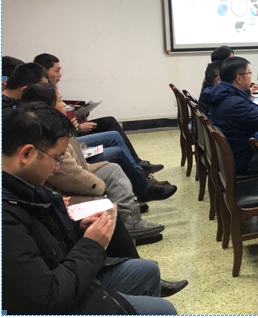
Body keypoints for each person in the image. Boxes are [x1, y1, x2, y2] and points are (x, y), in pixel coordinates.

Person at [1, 103, 178, 315]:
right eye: (57, 158)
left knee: (147, 270)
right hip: (57, 297)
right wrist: (91, 244)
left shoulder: (26, 185)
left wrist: (78, 229)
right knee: (163, 309)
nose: (57, 167)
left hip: (66, 276)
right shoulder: (7, 216)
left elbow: (46, 243)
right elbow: (47, 298)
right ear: (26, 153)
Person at [20, 83, 165, 240]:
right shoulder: (48, 136)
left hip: (66, 184)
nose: (65, 105)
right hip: (61, 193)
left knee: (112, 169)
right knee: (104, 201)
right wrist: (99, 187)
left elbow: (74, 166)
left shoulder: (54, 127)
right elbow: (69, 175)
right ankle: (126, 231)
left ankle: (131, 222)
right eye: (60, 100)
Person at [34, 53, 164, 174]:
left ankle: (136, 162)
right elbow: (51, 129)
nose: (60, 75)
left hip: (70, 130)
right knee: (113, 137)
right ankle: (138, 172)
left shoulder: (50, 89)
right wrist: (78, 127)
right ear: (44, 71)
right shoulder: (40, 95)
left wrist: (76, 121)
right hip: (69, 137)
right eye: (57, 70)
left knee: (109, 121)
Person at [206, 56, 258, 175]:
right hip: (245, 160)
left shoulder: (223, 94)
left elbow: (257, 111)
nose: (251, 77)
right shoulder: (235, 103)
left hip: (235, 152)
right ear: (239, 78)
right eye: (249, 73)